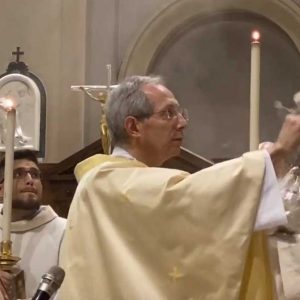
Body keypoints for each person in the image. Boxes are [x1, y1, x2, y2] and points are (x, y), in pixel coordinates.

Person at [59, 75, 300, 300]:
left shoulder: (125, 182)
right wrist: (275, 153)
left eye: (181, 113)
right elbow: (184, 197)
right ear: (133, 127)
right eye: (168, 113)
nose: (182, 123)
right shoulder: (103, 182)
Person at [0, 150, 66, 298]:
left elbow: (72, 289)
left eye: (35, 174)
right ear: (1, 189)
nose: (30, 180)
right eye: (18, 174)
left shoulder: (64, 230)